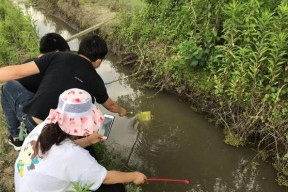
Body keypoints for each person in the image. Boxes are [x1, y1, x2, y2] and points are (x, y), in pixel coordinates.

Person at [0, 34, 127, 149]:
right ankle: (46, 142)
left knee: (8, 86)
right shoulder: (96, 80)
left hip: (35, 124)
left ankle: (16, 137)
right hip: (61, 134)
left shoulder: (56, 56)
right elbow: (110, 105)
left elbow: (18, 71)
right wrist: (122, 111)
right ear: (99, 61)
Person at [14, 88, 146, 192]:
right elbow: (106, 178)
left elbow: (59, 150)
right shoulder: (73, 156)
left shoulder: (43, 128)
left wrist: (88, 141)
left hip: (26, 186)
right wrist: (134, 176)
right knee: (115, 189)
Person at [1, 33, 70, 150]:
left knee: (7, 87)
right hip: (42, 120)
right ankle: (22, 135)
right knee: (8, 87)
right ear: (58, 53)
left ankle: (16, 136)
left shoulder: (29, 63)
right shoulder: (58, 71)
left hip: (31, 115)